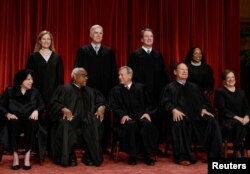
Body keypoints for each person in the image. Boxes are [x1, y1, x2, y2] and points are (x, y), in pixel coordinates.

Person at [160, 62, 223, 166]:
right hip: (181, 119)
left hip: (196, 118)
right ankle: (183, 156)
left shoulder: (195, 87)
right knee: (179, 119)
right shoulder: (169, 88)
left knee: (211, 120)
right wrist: (173, 110)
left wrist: (203, 109)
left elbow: (204, 102)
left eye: (186, 70)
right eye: (181, 69)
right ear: (175, 72)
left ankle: (215, 156)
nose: (185, 71)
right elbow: (165, 103)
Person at [48, 67, 106, 167]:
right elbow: (53, 103)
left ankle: (90, 155)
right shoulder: (63, 89)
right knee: (64, 123)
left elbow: (101, 100)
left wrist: (102, 106)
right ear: (75, 77)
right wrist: (63, 108)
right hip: (70, 120)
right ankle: (69, 156)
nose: (86, 78)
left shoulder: (91, 91)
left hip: (87, 120)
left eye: (87, 76)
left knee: (96, 123)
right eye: (83, 76)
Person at [74, 24, 117, 153]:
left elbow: (113, 72)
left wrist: (112, 90)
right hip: (88, 91)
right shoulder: (83, 51)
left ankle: (103, 146)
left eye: (101, 33)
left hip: (105, 90)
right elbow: (77, 71)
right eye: (96, 33)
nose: (99, 35)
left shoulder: (108, 52)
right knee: (87, 117)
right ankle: (86, 145)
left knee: (103, 118)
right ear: (91, 35)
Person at [128, 28, 168, 153]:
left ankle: (154, 147)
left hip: (156, 93)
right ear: (141, 39)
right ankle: (140, 148)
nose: (149, 38)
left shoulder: (158, 55)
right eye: (146, 36)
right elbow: (132, 77)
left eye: (151, 36)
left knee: (155, 120)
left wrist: (163, 93)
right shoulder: (135, 55)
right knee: (141, 119)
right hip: (140, 95)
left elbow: (163, 76)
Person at [109, 66, 158, 166]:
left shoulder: (141, 88)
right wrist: (122, 115)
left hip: (140, 117)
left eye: (122, 75)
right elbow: (113, 106)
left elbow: (150, 103)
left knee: (146, 124)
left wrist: (147, 113)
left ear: (130, 75)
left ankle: (147, 155)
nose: (119, 77)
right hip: (126, 120)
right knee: (130, 125)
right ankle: (132, 155)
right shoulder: (115, 90)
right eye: (119, 75)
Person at [0, 69, 45, 170]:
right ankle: (15, 156)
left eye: (32, 79)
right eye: (28, 79)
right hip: (15, 120)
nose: (31, 81)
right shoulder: (9, 91)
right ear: (21, 81)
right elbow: (1, 106)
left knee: (33, 123)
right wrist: (7, 114)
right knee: (13, 122)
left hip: (29, 121)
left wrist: (37, 110)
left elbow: (42, 105)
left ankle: (27, 156)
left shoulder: (35, 92)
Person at [214, 69, 250, 158]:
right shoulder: (220, 92)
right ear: (224, 81)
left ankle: (244, 148)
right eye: (228, 78)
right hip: (227, 121)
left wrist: (247, 116)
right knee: (239, 125)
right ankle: (237, 150)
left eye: (232, 77)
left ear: (235, 79)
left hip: (242, 119)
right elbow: (222, 109)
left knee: (246, 124)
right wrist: (239, 118)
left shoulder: (241, 92)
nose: (231, 79)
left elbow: (247, 107)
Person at [26, 30, 64, 110]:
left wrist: (59, 94)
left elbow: (60, 78)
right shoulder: (33, 57)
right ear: (39, 41)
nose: (46, 41)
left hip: (53, 93)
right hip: (37, 92)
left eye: (48, 39)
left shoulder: (57, 57)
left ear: (51, 41)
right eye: (44, 39)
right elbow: (29, 77)